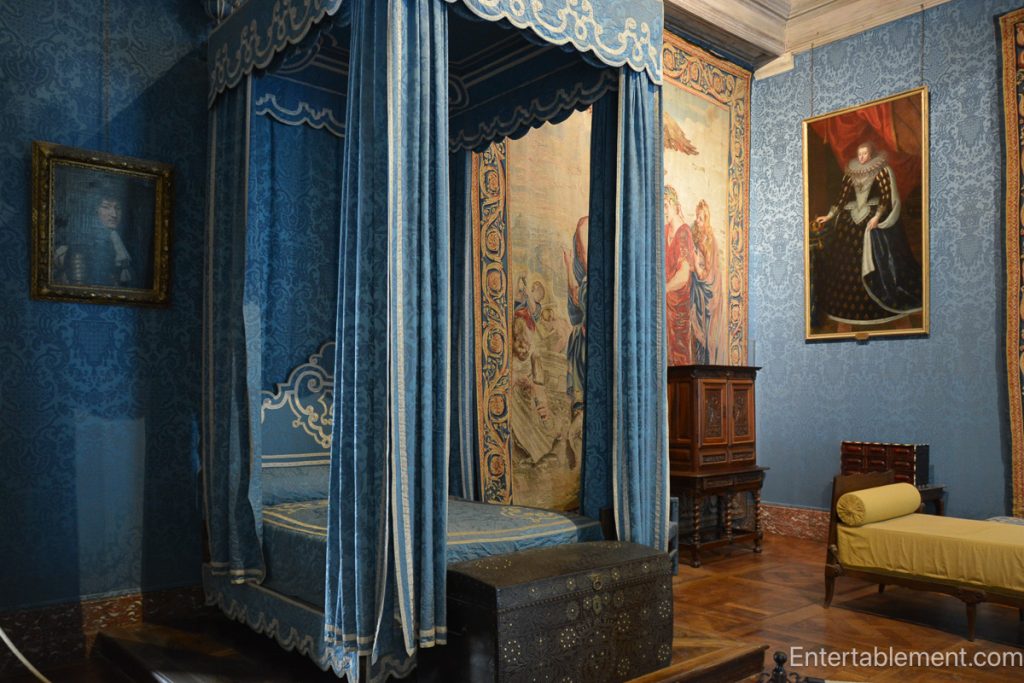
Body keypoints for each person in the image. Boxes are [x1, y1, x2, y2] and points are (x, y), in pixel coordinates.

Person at [813, 141, 922, 327]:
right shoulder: (851, 173)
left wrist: (877, 217)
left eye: (865, 154)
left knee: (873, 237)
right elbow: (842, 197)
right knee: (845, 249)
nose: (862, 157)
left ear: (870, 154)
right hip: (852, 214)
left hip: (873, 214)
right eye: (860, 154)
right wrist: (829, 215)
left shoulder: (881, 170)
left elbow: (886, 197)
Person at [54, 187, 139, 288]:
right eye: (106, 207)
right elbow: (80, 285)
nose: (114, 214)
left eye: (118, 208)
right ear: (95, 211)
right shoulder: (82, 244)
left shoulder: (120, 241)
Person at [690, 199, 724, 364]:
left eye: (701, 218)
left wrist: (696, 264)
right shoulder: (696, 235)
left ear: (706, 220)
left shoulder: (708, 242)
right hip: (697, 290)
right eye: (697, 216)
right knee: (696, 329)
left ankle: (705, 364)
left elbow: (705, 275)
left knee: (704, 331)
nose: (697, 220)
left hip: (706, 293)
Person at [664, 186, 695, 365]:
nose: (664, 210)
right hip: (665, 306)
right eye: (662, 206)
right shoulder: (664, 231)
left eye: (667, 205)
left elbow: (683, 276)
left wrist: (662, 289)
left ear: (676, 206)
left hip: (678, 308)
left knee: (678, 355)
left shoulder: (684, 233)